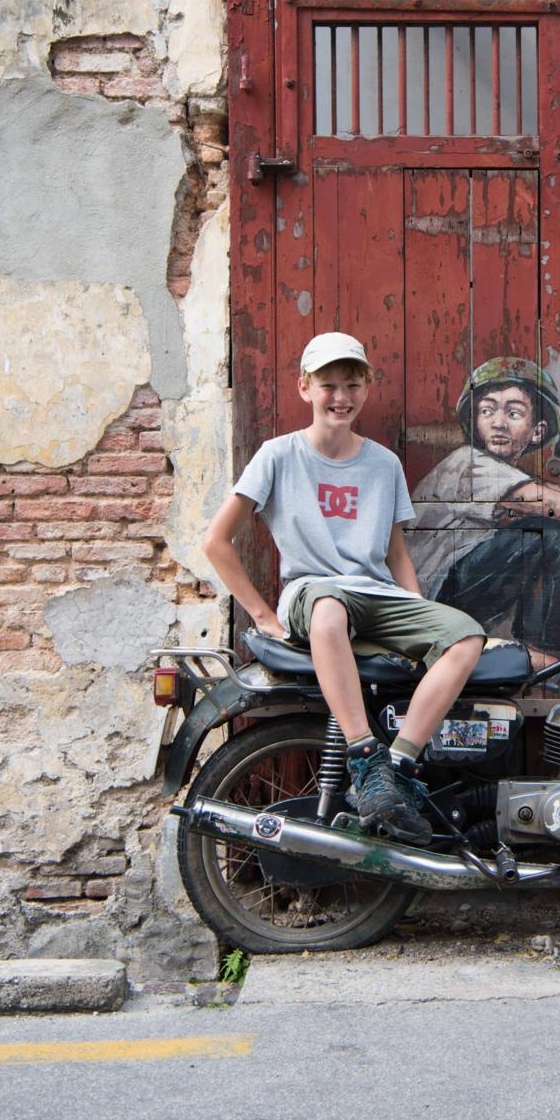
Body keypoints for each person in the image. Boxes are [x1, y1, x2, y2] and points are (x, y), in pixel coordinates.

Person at [202, 331, 485, 847]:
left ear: (367, 388)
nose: (341, 397)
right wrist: (263, 616)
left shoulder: (383, 463)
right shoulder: (277, 455)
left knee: (466, 636)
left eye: (352, 385)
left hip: (378, 596)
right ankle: (365, 757)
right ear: (304, 388)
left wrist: (418, 613)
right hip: (313, 592)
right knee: (329, 608)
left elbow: (395, 553)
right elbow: (216, 542)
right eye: (328, 385)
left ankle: (397, 769)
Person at [408, 357, 560, 672]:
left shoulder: (499, 472)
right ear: (475, 421)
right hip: (428, 599)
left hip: (446, 596)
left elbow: (544, 495)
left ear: (537, 431)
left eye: (514, 413)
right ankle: (544, 657)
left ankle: (534, 656)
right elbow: (543, 501)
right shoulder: (467, 462)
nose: (498, 422)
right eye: (487, 411)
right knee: (553, 534)